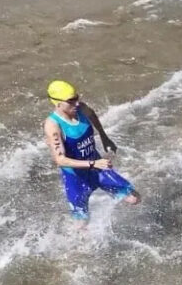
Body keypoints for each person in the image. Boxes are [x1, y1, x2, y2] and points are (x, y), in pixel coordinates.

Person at [42, 80, 140, 226]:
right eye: (71, 101)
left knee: (133, 198)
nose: (77, 103)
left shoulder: (80, 108)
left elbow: (92, 115)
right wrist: (94, 163)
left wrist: (104, 137)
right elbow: (60, 160)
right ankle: (78, 246)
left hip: (97, 168)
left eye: (77, 97)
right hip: (76, 177)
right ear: (58, 104)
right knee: (82, 223)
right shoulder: (53, 126)